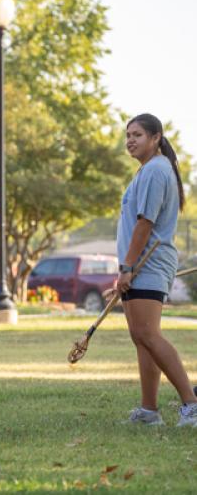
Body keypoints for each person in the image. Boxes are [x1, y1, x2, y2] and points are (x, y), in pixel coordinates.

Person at [117, 113, 197, 426]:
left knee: (147, 333)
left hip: (146, 264)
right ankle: (149, 412)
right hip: (138, 265)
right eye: (128, 135)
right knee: (142, 337)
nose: (130, 141)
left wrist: (128, 266)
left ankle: (191, 403)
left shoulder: (155, 170)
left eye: (137, 134)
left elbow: (145, 223)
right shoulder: (148, 171)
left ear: (155, 137)